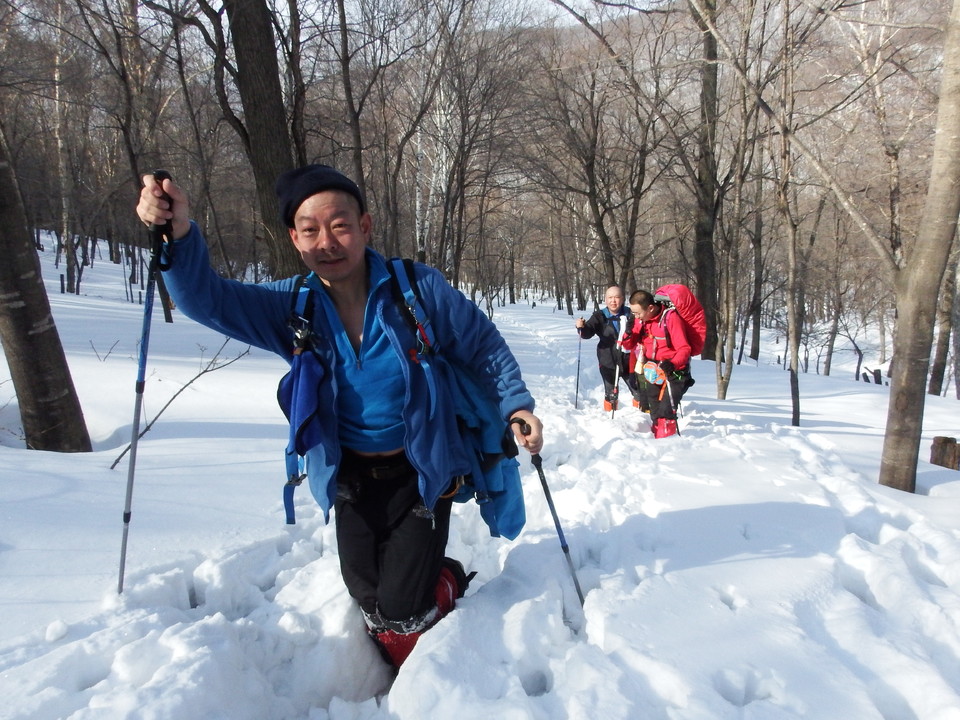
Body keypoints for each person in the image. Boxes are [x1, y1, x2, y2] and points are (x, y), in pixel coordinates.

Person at [136, 164, 543, 667]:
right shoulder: (292, 307)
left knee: (400, 612)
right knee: (365, 595)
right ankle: (421, 592)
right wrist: (177, 234)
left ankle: (436, 621)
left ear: (365, 226)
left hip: (424, 471)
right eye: (310, 230)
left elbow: (483, 345)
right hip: (350, 474)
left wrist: (516, 405)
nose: (327, 241)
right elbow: (207, 300)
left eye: (340, 225)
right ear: (294, 238)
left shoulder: (416, 290)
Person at [625, 289, 695, 438]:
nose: (636, 317)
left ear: (650, 308)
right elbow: (628, 346)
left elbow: (684, 348)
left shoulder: (671, 319)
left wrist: (673, 363)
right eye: (633, 313)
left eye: (638, 313)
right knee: (655, 410)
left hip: (673, 371)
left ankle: (666, 444)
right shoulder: (640, 321)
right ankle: (656, 441)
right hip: (652, 369)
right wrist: (629, 332)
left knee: (666, 412)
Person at [574, 285, 639, 411]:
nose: (613, 301)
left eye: (617, 297)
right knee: (611, 393)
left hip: (629, 360)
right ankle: (610, 418)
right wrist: (581, 327)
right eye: (610, 297)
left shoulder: (631, 314)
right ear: (605, 299)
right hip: (607, 359)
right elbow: (587, 333)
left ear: (623, 299)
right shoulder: (599, 316)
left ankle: (641, 417)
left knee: (638, 391)